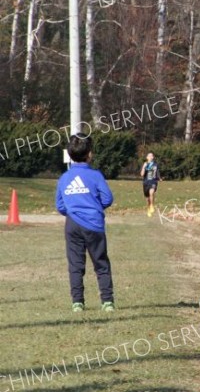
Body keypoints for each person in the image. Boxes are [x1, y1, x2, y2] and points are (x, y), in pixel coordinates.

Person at [55, 133, 115, 313]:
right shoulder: (95, 175)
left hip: (72, 225)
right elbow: (108, 198)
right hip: (94, 225)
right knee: (101, 263)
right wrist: (95, 208)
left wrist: (73, 210)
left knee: (75, 264)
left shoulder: (64, 178)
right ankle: (107, 301)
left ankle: (77, 302)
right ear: (89, 154)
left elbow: (59, 205)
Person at [140, 152, 161, 217]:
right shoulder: (145, 164)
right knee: (147, 198)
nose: (150, 157)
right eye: (149, 156)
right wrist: (144, 167)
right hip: (146, 182)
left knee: (151, 192)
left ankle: (152, 205)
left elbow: (157, 172)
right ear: (147, 157)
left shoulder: (155, 165)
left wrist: (159, 178)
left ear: (153, 157)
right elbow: (142, 174)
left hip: (153, 182)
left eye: (151, 156)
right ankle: (149, 207)